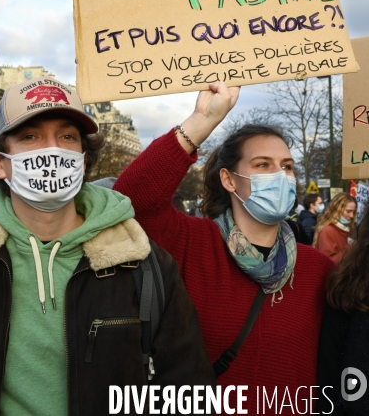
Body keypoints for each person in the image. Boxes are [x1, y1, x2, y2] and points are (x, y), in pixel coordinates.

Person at [0, 77, 215, 416]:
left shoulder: (143, 262)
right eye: (30, 136)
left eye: (67, 136)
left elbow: (189, 391)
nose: (52, 149)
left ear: (84, 161)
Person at [114, 82, 334, 415]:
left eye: (287, 166)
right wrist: (201, 121)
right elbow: (133, 200)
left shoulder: (318, 269)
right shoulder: (191, 243)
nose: (281, 175)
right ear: (229, 180)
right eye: (262, 165)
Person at [318, 201, 369, 415]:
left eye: (353, 212)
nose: (350, 215)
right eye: (347, 211)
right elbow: (328, 371)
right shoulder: (349, 287)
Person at [313, 192, 357, 263]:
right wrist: (350, 248)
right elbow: (328, 262)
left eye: (354, 212)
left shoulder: (351, 229)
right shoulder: (328, 231)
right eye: (348, 211)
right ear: (337, 210)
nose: (352, 215)